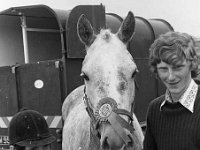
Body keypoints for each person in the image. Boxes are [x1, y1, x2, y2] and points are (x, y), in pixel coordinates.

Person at [143, 31, 200, 150]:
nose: (171, 76)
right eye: (163, 69)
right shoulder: (155, 109)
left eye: (178, 67)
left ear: (192, 65)